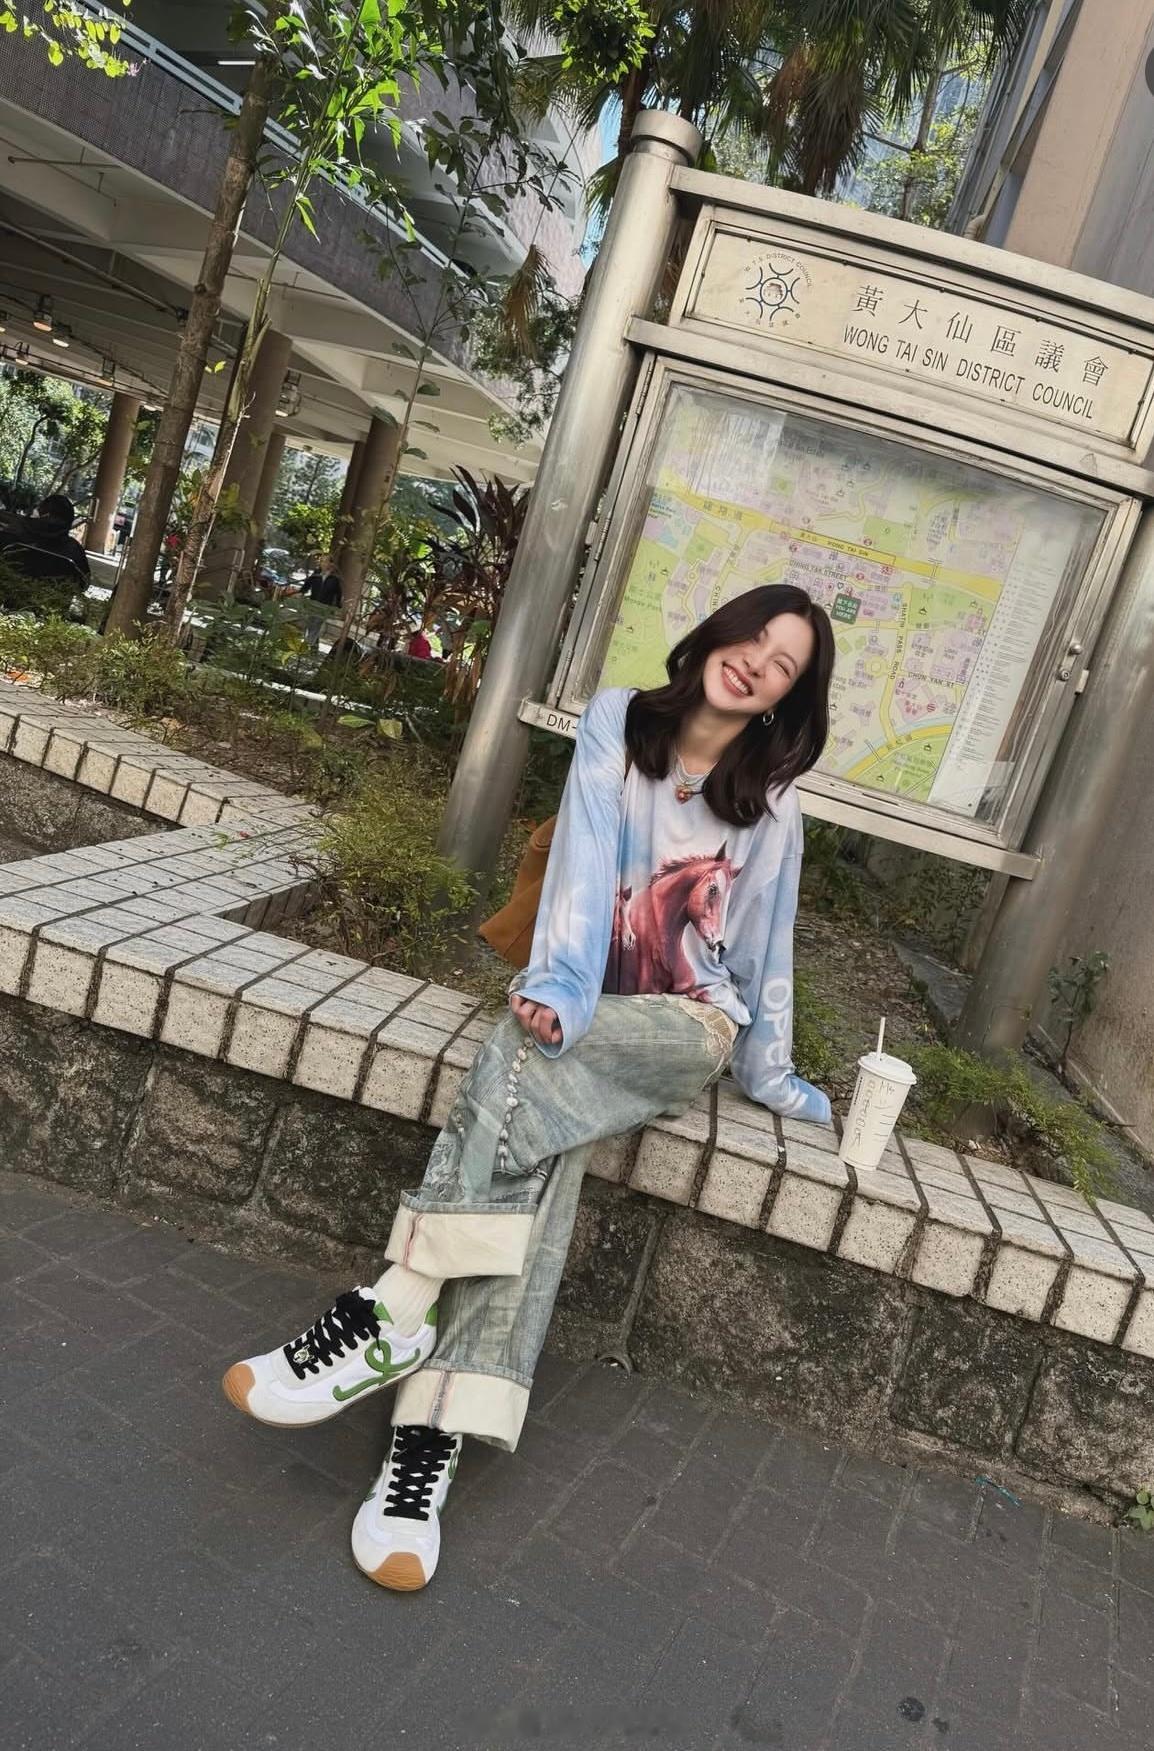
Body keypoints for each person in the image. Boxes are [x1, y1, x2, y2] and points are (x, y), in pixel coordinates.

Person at [222, 582, 836, 1593]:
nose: (756, 665)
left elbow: (766, 943)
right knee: (541, 1129)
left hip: (684, 1026)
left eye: (784, 665)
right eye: (754, 639)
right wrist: (561, 984)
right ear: (716, 634)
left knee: (527, 1053)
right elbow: (583, 864)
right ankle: (428, 1442)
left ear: (786, 697)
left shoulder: (772, 803)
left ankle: (394, 1304)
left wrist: (774, 1075)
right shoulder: (617, 723)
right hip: (583, 1013)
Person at [0, 494, 90, 587]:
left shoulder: (17, 532)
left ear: (43, 513)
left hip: (11, 588)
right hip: (53, 594)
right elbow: (83, 583)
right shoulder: (74, 549)